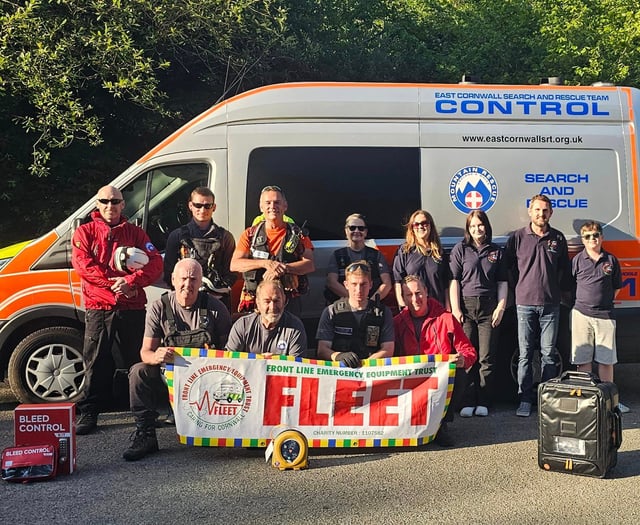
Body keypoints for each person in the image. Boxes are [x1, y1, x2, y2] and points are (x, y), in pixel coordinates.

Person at [71, 185, 163, 435]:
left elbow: (155, 264)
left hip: (132, 307)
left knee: (139, 362)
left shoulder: (136, 233)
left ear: (123, 205)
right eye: (105, 201)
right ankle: (89, 412)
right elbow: (83, 267)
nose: (110, 206)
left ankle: (146, 412)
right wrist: (116, 284)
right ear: (97, 204)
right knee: (96, 361)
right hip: (99, 307)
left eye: (115, 201)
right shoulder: (84, 232)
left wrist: (132, 282)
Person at [123, 259, 232, 461]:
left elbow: (232, 353)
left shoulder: (217, 308)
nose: (187, 285)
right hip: (170, 378)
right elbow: (145, 352)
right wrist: (156, 356)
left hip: (207, 381)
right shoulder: (159, 307)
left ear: (201, 282)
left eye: (193, 279)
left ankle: (222, 429)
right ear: (173, 280)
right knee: (138, 371)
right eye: (183, 278)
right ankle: (145, 434)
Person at [505, 194, 571, 417]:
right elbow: (508, 268)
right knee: (525, 355)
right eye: (537, 210)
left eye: (545, 210)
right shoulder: (518, 238)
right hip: (524, 304)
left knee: (549, 355)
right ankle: (524, 399)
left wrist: (555, 290)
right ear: (530, 212)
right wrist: (520, 289)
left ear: (550, 213)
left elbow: (563, 270)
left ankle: (547, 401)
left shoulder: (558, 239)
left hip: (551, 305)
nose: (541, 214)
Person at [394, 275, 476, 446]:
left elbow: (469, 351)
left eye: (418, 293)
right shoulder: (397, 323)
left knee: (459, 375)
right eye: (409, 295)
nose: (415, 299)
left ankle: (441, 425)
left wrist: (463, 359)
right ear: (403, 297)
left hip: (437, 381)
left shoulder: (446, 318)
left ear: (426, 291)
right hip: (410, 380)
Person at [449, 211, 508, 418]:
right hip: (465, 308)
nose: (477, 230)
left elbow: (502, 282)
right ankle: (467, 401)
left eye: (480, 225)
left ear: (486, 226)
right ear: (468, 228)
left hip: (489, 308)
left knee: (486, 357)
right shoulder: (460, 249)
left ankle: (483, 401)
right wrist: (455, 310)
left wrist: (501, 307)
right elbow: (454, 281)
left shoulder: (496, 251)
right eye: (473, 226)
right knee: (467, 357)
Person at [571, 221, 629, 413]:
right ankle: (586, 402)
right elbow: (571, 285)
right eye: (587, 236)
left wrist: (602, 302)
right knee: (583, 360)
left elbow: (617, 288)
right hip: (581, 315)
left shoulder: (611, 261)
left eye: (595, 235)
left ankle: (609, 401)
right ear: (583, 240)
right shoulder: (577, 260)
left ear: (602, 238)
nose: (592, 239)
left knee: (606, 361)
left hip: (605, 315)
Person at [230, 185, 314, 316]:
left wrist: (281, 268)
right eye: (268, 203)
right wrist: (265, 264)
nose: (272, 206)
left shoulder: (298, 234)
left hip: (288, 301)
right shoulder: (250, 234)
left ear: (285, 206)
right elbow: (235, 264)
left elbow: (309, 265)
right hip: (256, 302)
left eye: (277, 202)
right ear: (261, 207)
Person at [163, 187, 236, 310]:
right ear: (190, 206)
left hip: (217, 302)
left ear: (214, 207)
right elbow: (169, 274)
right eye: (198, 205)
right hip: (185, 303)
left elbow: (232, 273)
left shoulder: (225, 237)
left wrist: (218, 290)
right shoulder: (177, 236)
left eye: (208, 206)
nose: (202, 210)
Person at [316, 261, 394, 368]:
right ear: (346, 285)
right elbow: (322, 349)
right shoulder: (331, 312)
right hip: (341, 371)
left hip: (371, 371)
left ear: (371, 284)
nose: (359, 290)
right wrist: (338, 356)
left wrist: (363, 366)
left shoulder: (383, 313)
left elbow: (388, 349)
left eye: (363, 284)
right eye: (354, 284)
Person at [225, 281, 307, 356]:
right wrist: (260, 362)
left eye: (276, 301)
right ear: (258, 303)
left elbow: (297, 366)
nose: (272, 307)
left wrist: (275, 362)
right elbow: (230, 362)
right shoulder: (242, 325)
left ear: (284, 300)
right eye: (267, 301)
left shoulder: (295, 327)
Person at [324, 213, 392, 303]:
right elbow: (331, 282)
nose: (356, 231)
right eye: (352, 228)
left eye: (361, 228)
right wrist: (355, 299)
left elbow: (387, 284)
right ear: (346, 231)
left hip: (371, 304)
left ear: (366, 232)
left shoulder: (377, 255)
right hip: (344, 305)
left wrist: (371, 302)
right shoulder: (337, 255)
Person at [393, 210, 450, 310]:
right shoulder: (404, 251)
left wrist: (448, 308)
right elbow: (398, 282)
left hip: (437, 309)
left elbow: (446, 285)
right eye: (416, 224)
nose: (420, 227)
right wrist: (403, 306)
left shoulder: (440, 253)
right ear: (412, 228)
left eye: (424, 223)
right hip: (414, 308)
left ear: (430, 226)